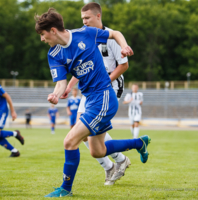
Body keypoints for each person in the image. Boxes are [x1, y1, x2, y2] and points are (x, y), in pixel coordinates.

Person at [35, 8, 151, 197]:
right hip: (90, 99)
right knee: (98, 151)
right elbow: (60, 82)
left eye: (42, 34)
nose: (41, 38)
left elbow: (115, 33)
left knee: (70, 141)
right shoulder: (54, 54)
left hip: (104, 96)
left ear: (53, 30)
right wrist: (56, 94)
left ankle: (65, 189)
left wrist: (124, 46)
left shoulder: (85, 33)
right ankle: (139, 143)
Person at [61, 2, 131, 186]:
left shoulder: (110, 37)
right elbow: (80, 68)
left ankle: (117, 162)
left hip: (111, 87)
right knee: (81, 132)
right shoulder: (84, 37)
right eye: (82, 19)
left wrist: (105, 81)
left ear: (98, 16)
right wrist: (69, 87)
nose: (84, 22)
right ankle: (112, 165)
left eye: (87, 18)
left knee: (87, 130)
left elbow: (124, 65)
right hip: (91, 89)